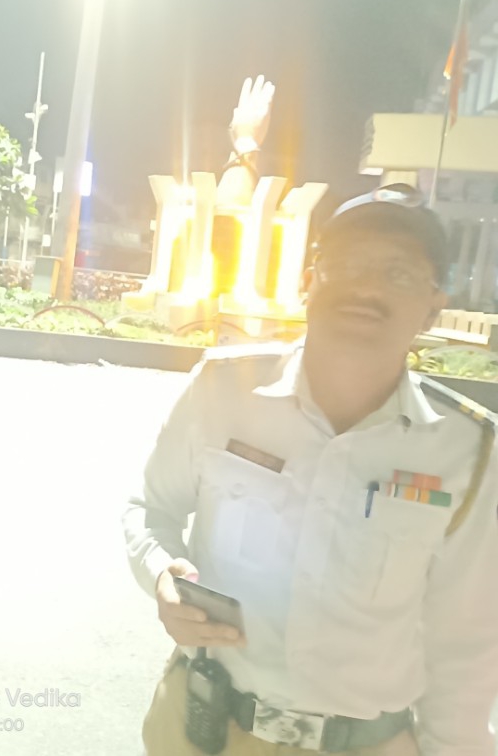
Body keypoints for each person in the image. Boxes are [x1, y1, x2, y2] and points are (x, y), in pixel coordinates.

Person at [124, 183, 498, 755]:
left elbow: (465, 646)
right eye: (346, 264)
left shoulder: (465, 451)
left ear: (433, 305)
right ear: (308, 282)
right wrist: (161, 576)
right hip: (201, 728)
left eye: (399, 273)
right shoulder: (223, 388)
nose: (367, 287)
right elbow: (152, 510)